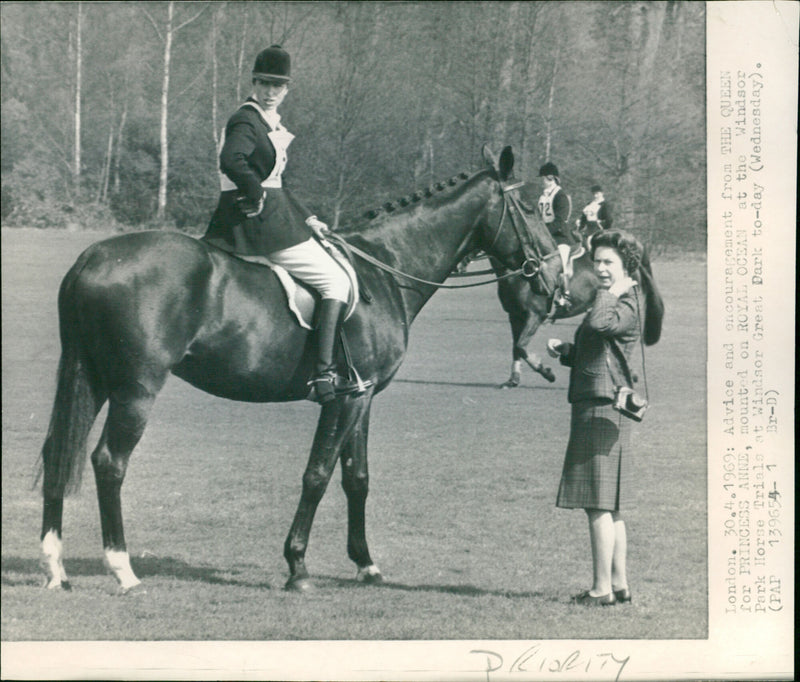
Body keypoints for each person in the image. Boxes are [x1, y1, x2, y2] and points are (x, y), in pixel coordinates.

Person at [203, 45, 356, 404]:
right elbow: (232, 159)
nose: (271, 91)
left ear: (287, 89)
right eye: (264, 83)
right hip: (259, 224)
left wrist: (309, 218)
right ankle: (323, 372)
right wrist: (254, 192)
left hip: (275, 217)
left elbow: (277, 183)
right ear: (254, 83)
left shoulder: (271, 123)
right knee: (335, 281)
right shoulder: (247, 119)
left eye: (278, 85)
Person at [546, 229, 650, 606]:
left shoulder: (624, 302)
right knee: (609, 505)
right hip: (602, 403)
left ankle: (600, 589)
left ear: (626, 267)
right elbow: (602, 350)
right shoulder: (618, 300)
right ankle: (619, 584)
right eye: (598, 262)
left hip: (602, 407)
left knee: (597, 504)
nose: (601, 269)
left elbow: (601, 325)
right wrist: (568, 352)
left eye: (609, 262)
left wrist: (610, 291)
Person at [536, 162, 577, 246]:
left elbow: (560, 220)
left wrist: (545, 232)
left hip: (559, 236)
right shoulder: (542, 196)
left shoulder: (560, 196)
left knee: (561, 252)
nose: (541, 182)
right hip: (545, 234)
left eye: (543, 179)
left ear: (550, 178)